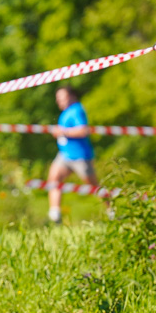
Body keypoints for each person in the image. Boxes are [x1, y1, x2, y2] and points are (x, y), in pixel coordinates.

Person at [46, 85, 107, 223]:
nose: (59, 101)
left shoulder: (77, 110)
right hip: (64, 154)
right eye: (58, 99)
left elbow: (83, 130)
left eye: (62, 98)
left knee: (94, 187)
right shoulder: (66, 112)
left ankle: (111, 209)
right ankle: (55, 213)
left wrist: (63, 132)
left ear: (72, 96)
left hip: (80, 156)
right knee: (54, 178)